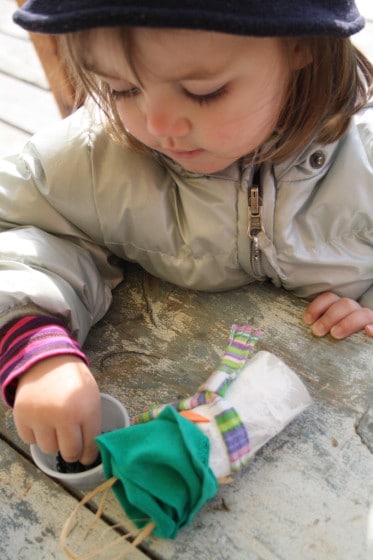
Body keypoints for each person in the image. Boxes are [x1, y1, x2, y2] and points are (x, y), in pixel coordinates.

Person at [0, 0, 372, 467]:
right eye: (122, 88)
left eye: (203, 92)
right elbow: (18, 223)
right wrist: (34, 340)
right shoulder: (101, 152)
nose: (159, 127)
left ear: (302, 46)